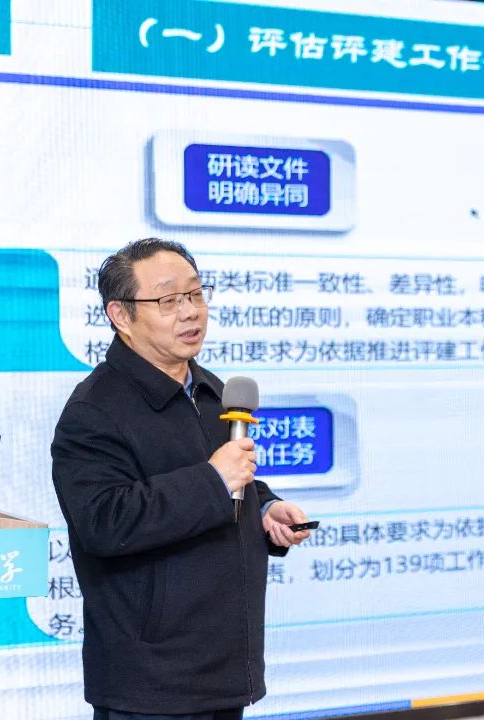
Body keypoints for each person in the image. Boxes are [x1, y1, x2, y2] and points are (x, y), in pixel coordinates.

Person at [51, 238, 310, 720]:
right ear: (121, 315)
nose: (190, 312)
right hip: (150, 681)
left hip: (225, 667)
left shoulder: (213, 391)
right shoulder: (94, 411)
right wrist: (213, 480)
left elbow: (232, 480)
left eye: (195, 294)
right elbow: (105, 522)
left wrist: (265, 508)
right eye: (168, 300)